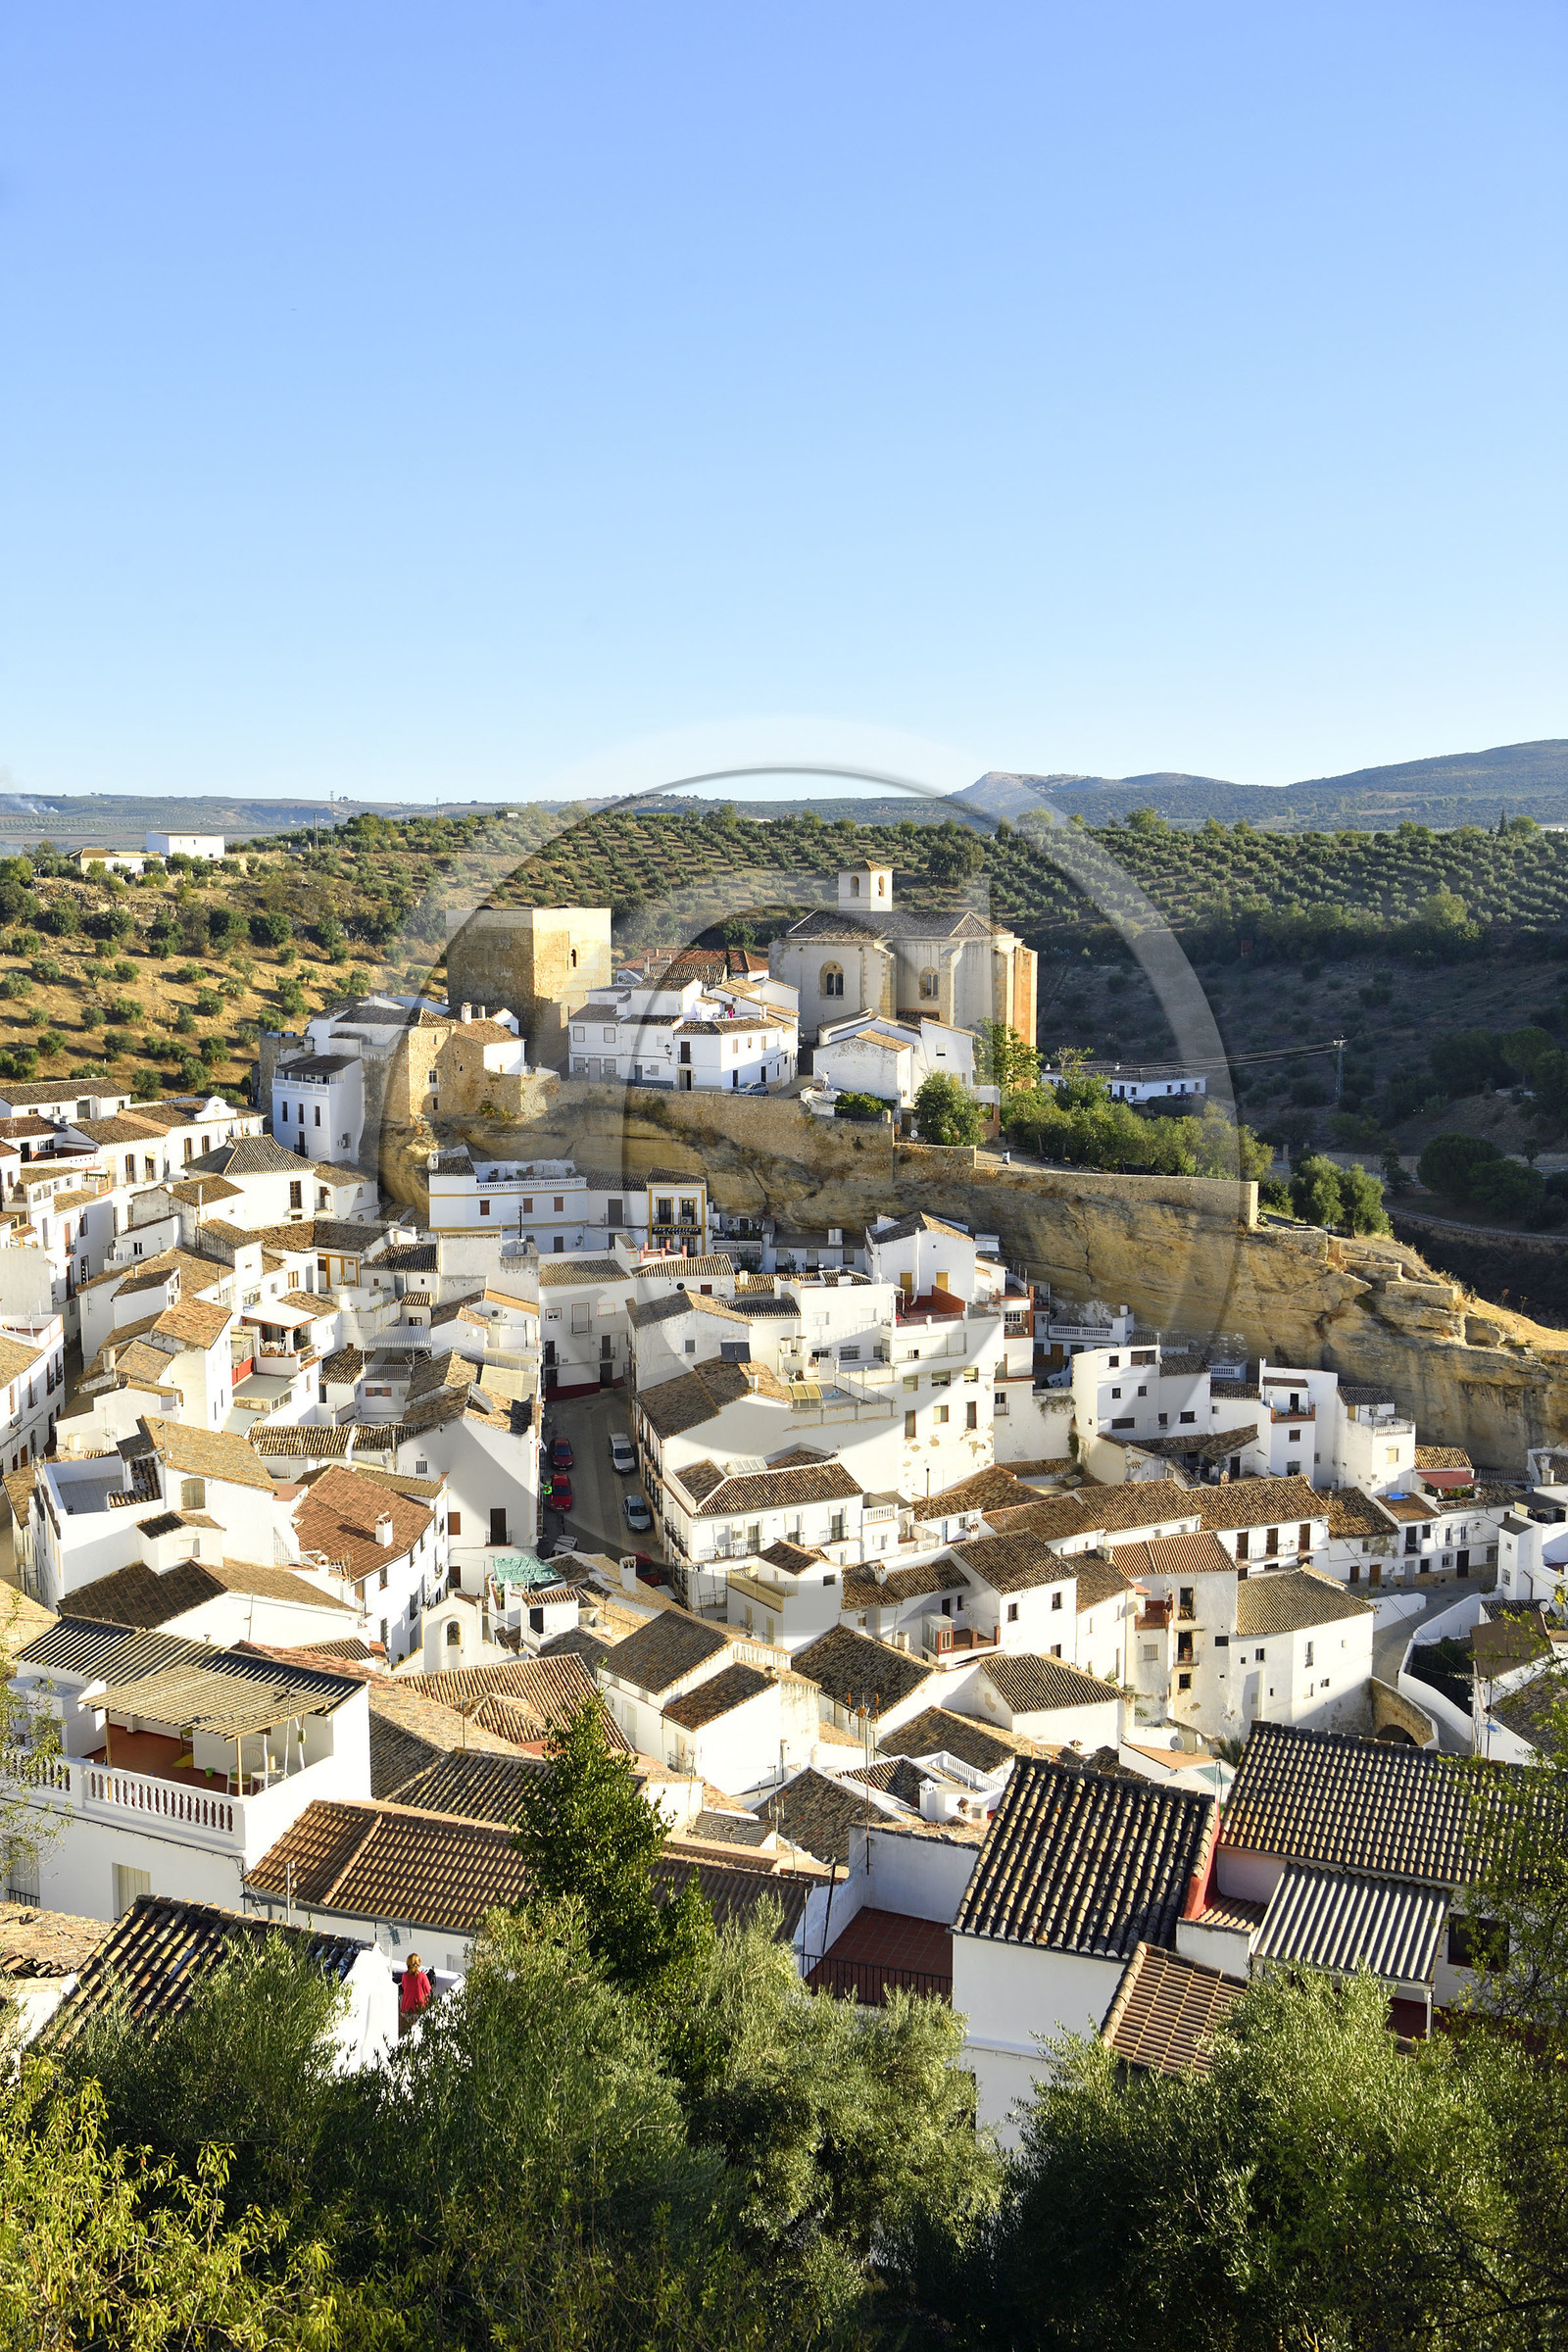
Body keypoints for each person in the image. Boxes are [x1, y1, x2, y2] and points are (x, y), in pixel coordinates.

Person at [400, 1951, 432, 2028]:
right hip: (419, 2009)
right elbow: (428, 1990)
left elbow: (404, 1987)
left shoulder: (404, 1976)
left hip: (406, 2009)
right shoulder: (422, 1976)